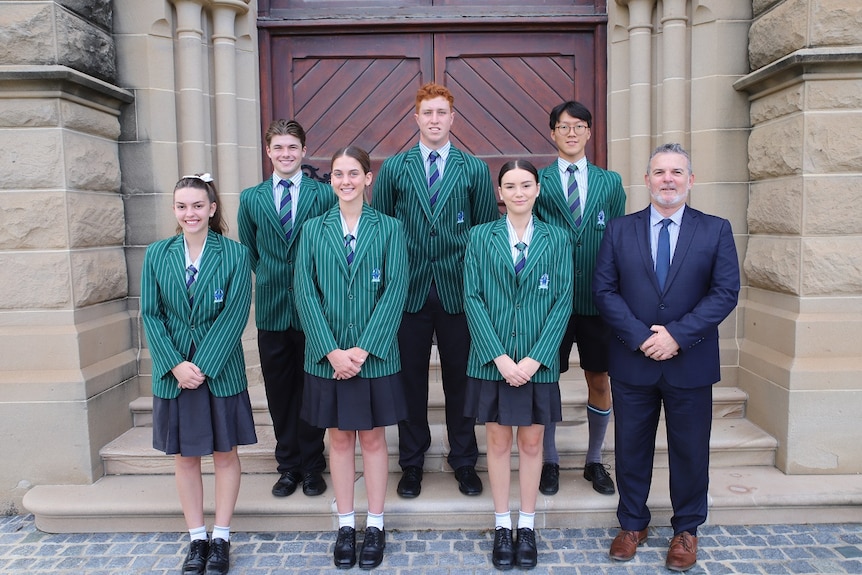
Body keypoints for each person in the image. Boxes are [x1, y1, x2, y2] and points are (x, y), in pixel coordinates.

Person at [592, 143, 740, 572]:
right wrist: (641, 338)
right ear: (647, 180)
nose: (668, 179)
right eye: (659, 172)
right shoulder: (620, 230)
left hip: (689, 360)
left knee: (690, 450)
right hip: (633, 360)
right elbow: (604, 290)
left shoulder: (715, 230)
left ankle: (686, 529)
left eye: (677, 171)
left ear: (691, 180)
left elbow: (724, 293)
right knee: (631, 446)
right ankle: (632, 523)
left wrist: (677, 335)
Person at [371, 82, 499, 499]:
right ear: (416, 118)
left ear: (452, 118)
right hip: (407, 293)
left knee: (461, 380)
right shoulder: (393, 168)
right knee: (409, 381)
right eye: (427, 113)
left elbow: (483, 234)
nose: (434, 120)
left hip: (457, 291)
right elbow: (383, 232)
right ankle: (412, 461)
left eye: (442, 112)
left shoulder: (474, 169)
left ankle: (463, 459)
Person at [295, 146, 408, 570]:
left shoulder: (390, 228)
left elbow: (396, 288)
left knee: (375, 438)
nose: (345, 181)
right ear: (332, 180)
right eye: (338, 174)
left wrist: (362, 349)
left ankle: (375, 524)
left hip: (374, 356)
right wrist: (331, 350)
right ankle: (346, 524)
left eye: (353, 173)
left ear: (368, 178)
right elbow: (305, 292)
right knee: (339, 439)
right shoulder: (312, 229)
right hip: (326, 356)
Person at [140, 174, 256, 575]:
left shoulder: (236, 255)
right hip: (174, 373)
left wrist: (201, 366)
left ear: (211, 208)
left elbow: (235, 314)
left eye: (197, 205)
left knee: (225, 454)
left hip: (218, 371)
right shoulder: (157, 254)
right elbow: (151, 314)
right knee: (186, 458)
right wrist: (175, 364)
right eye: (182, 206)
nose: (190, 213)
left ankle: (221, 536)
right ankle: (196, 538)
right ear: (175, 210)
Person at [463, 160, 573, 571]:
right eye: (510, 186)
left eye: (526, 184)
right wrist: (500, 357)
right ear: (500, 192)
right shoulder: (479, 237)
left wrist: (534, 358)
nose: (519, 192)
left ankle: (526, 525)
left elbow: (563, 300)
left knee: (531, 443)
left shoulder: (557, 238)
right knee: (497, 442)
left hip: (537, 362)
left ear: (539, 189)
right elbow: (472, 298)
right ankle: (501, 523)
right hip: (492, 362)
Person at [237, 119, 336, 499]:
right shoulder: (251, 199)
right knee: (280, 392)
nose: (285, 154)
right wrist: (272, 279)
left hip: (315, 311)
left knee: (312, 389)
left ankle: (313, 465)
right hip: (274, 309)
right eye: (278, 148)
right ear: (268, 152)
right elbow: (251, 250)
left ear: (304, 151)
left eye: (292, 147)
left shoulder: (323, 195)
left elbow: (328, 248)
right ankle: (288, 466)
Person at [533, 100, 626, 497]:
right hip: (549, 299)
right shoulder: (537, 180)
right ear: (552, 133)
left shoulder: (610, 183)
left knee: (599, 377)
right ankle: (549, 460)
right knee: (546, 378)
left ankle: (593, 459)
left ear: (590, 132)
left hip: (597, 298)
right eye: (563, 126)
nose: (571, 133)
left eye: (579, 126)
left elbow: (619, 239)